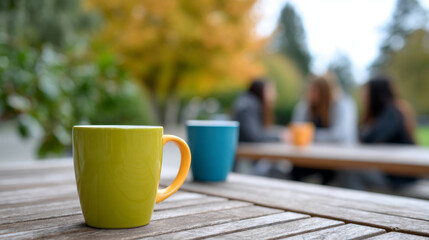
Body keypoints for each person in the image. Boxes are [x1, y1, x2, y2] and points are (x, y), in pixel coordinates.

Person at [290, 73, 358, 184]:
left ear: (324, 92)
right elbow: (296, 127)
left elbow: (340, 135)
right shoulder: (306, 107)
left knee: (330, 176)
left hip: (338, 159)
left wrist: (309, 135)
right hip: (313, 157)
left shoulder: (342, 105)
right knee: (296, 170)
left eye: (314, 91)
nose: (310, 94)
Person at [359, 75, 418, 189]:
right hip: (392, 171)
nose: (363, 95)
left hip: (401, 176)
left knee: (351, 171)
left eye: (367, 92)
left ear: (376, 94)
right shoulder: (383, 114)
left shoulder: (392, 113)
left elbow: (369, 139)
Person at [233, 78, 281, 142]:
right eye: (270, 90)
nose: (274, 94)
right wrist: (279, 137)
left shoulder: (251, 102)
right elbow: (254, 136)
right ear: (261, 90)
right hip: (244, 150)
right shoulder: (248, 106)